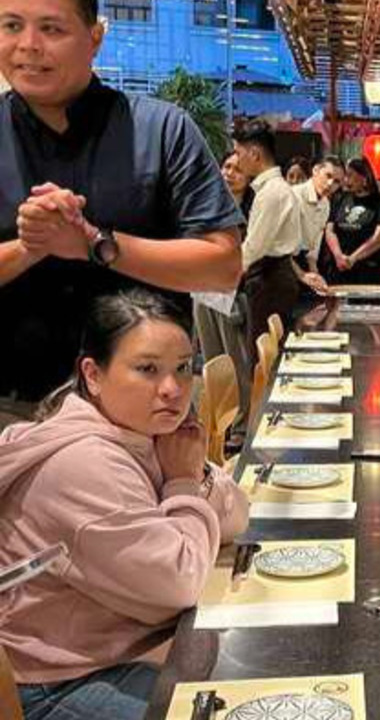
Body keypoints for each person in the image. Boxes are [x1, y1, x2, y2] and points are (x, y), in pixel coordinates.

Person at [0, 289, 249, 720]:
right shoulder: (83, 463)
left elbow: (237, 516)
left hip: (132, 642)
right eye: (147, 369)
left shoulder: (138, 430)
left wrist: (191, 476)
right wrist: (185, 484)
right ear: (93, 374)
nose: (172, 389)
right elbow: (180, 582)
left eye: (183, 369)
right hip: (61, 681)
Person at [0, 0, 243, 425]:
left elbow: (222, 267)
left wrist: (95, 244)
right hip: (12, 414)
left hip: (145, 417)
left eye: (52, 29)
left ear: (96, 38)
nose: (28, 45)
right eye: (11, 25)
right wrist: (31, 247)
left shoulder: (163, 129)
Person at [193, 151, 257, 452]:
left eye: (237, 169)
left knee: (236, 360)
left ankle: (242, 424)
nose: (229, 173)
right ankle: (220, 422)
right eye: (226, 166)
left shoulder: (252, 207)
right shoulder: (206, 201)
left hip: (232, 291)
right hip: (203, 287)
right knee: (213, 360)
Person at [231, 119, 302, 351]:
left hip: (270, 277)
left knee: (262, 357)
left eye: (238, 153)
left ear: (254, 154)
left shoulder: (271, 192)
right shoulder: (272, 188)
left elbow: (253, 248)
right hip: (274, 275)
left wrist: (223, 276)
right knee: (265, 351)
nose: (237, 160)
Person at [322, 157, 380, 286]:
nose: (345, 180)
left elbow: (378, 238)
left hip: (368, 271)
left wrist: (353, 258)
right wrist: (338, 255)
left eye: (350, 175)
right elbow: (330, 230)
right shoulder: (340, 198)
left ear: (365, 178)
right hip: (338, 269)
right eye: (345, 176)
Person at [291, 155, 343, 297]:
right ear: (315, 170)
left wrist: (315, 276)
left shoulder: (325, 204)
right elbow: (278, 248)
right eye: (328, 176)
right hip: (278, 265)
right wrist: (302, 275)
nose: (331, 183)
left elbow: (313, 250)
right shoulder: (293, 196)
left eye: (337, 181)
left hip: (300, 264)